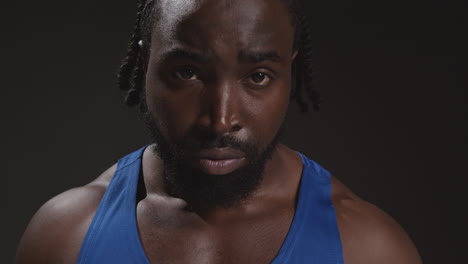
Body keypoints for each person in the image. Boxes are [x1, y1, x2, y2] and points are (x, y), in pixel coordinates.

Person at [16, 0, 422, 263]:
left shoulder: (367, 247)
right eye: (187, 72)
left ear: (290, 72)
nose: (220, 119)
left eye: (258, 76)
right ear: (145, 66)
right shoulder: (66, 239)